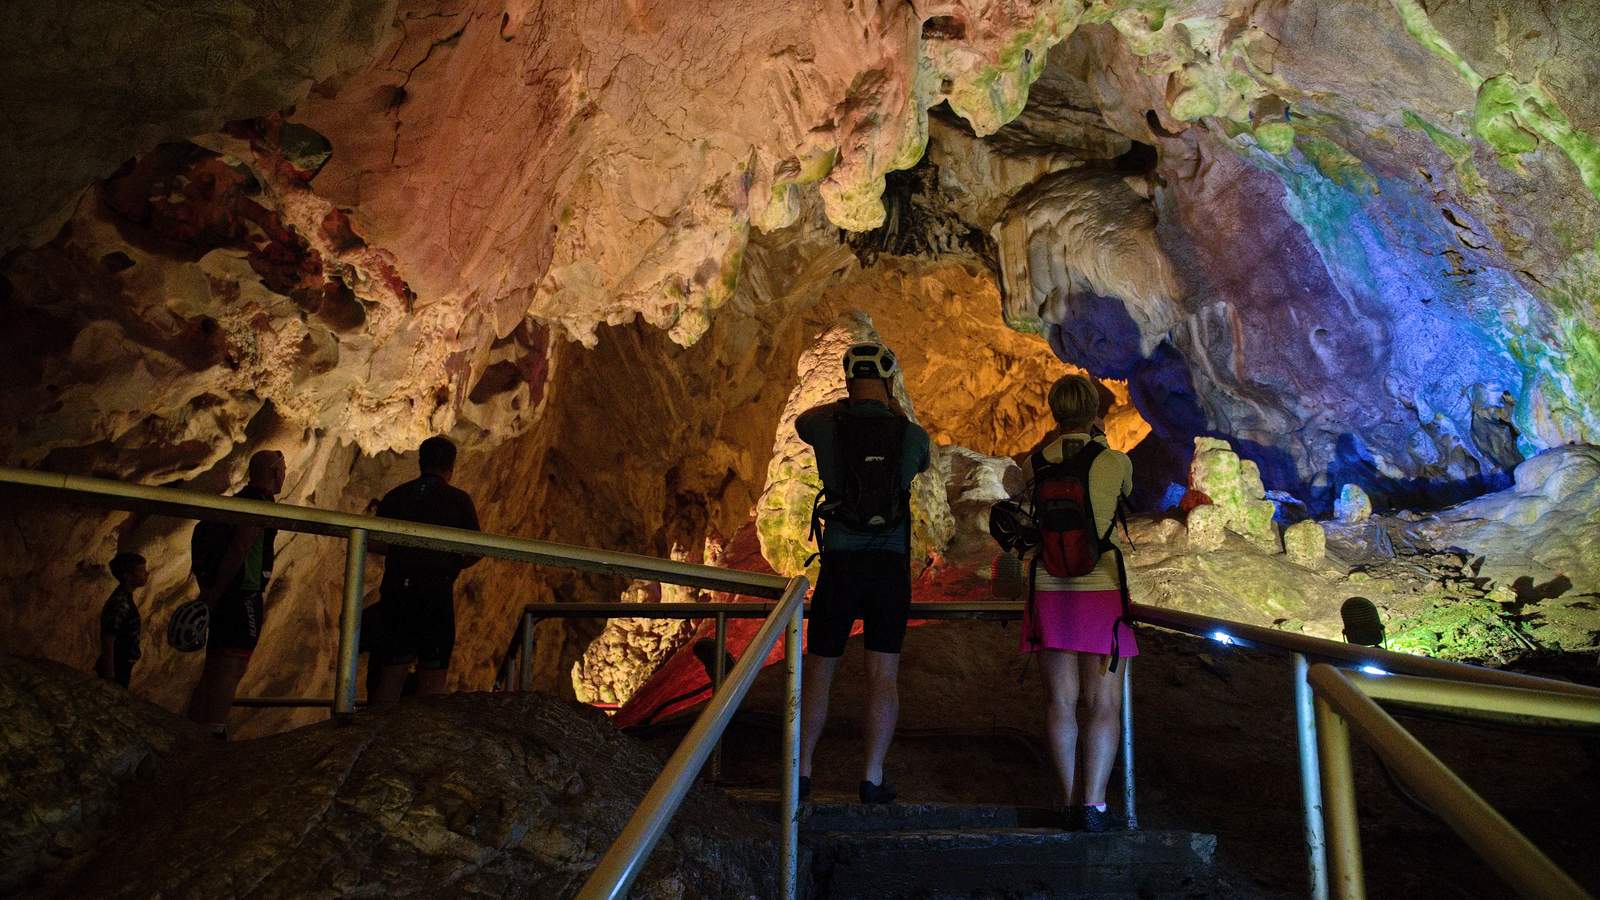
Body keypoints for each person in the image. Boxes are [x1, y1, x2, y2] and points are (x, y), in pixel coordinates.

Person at [796, 341, 931, 804]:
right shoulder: (910, 435)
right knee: (883, 674)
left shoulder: (826, 426)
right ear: (890, 380)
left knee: (819, 669)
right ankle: (872, 777)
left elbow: (801, 422)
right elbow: (922, 462)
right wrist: (891, 409)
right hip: (888, 566)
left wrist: (846, 405)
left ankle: (802, 771)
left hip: (841, 564)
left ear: (848, 380)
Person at [1019, 373, 1136, 832]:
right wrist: (1099, 444)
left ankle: (1068, 800)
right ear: (1094, 411)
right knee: (1103, 702)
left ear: (1054, 411)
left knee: (1059, 701)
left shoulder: (1034, 464)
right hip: (1102, 590)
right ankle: (1094, 805)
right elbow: (1126, 495)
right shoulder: (1114, 461)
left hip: (1049, 589)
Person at [369, 436, 481, 703]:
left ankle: (378, 727)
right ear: (451, 467)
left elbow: (373, 541)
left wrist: (403, 554)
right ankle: (423, 729)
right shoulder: (458, 500)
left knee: (392, 673)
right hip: (436, 593)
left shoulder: (397, 496)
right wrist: (451, 562)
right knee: (432, 677)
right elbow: (477, 549)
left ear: (420, 462)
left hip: (398, 592)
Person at [185, 449, 286, 739]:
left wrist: (212, 590)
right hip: (242, 593)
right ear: (274, 472)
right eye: (282, 470)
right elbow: (241, 547)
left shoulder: (240, 499)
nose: (284, 475)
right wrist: (218, 590)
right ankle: (213, 729)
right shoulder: (258, 503)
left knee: (216, 662)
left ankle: (195, 724)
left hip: (226, 592)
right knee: (232, 663)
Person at [96, 552, 148, 687]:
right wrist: (109, 677)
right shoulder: (120, 602)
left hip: (120, 666)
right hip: (116, 668)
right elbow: (108, 638)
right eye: (141, 570)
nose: (146, 574)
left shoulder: (124, 598)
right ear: (128, 576)